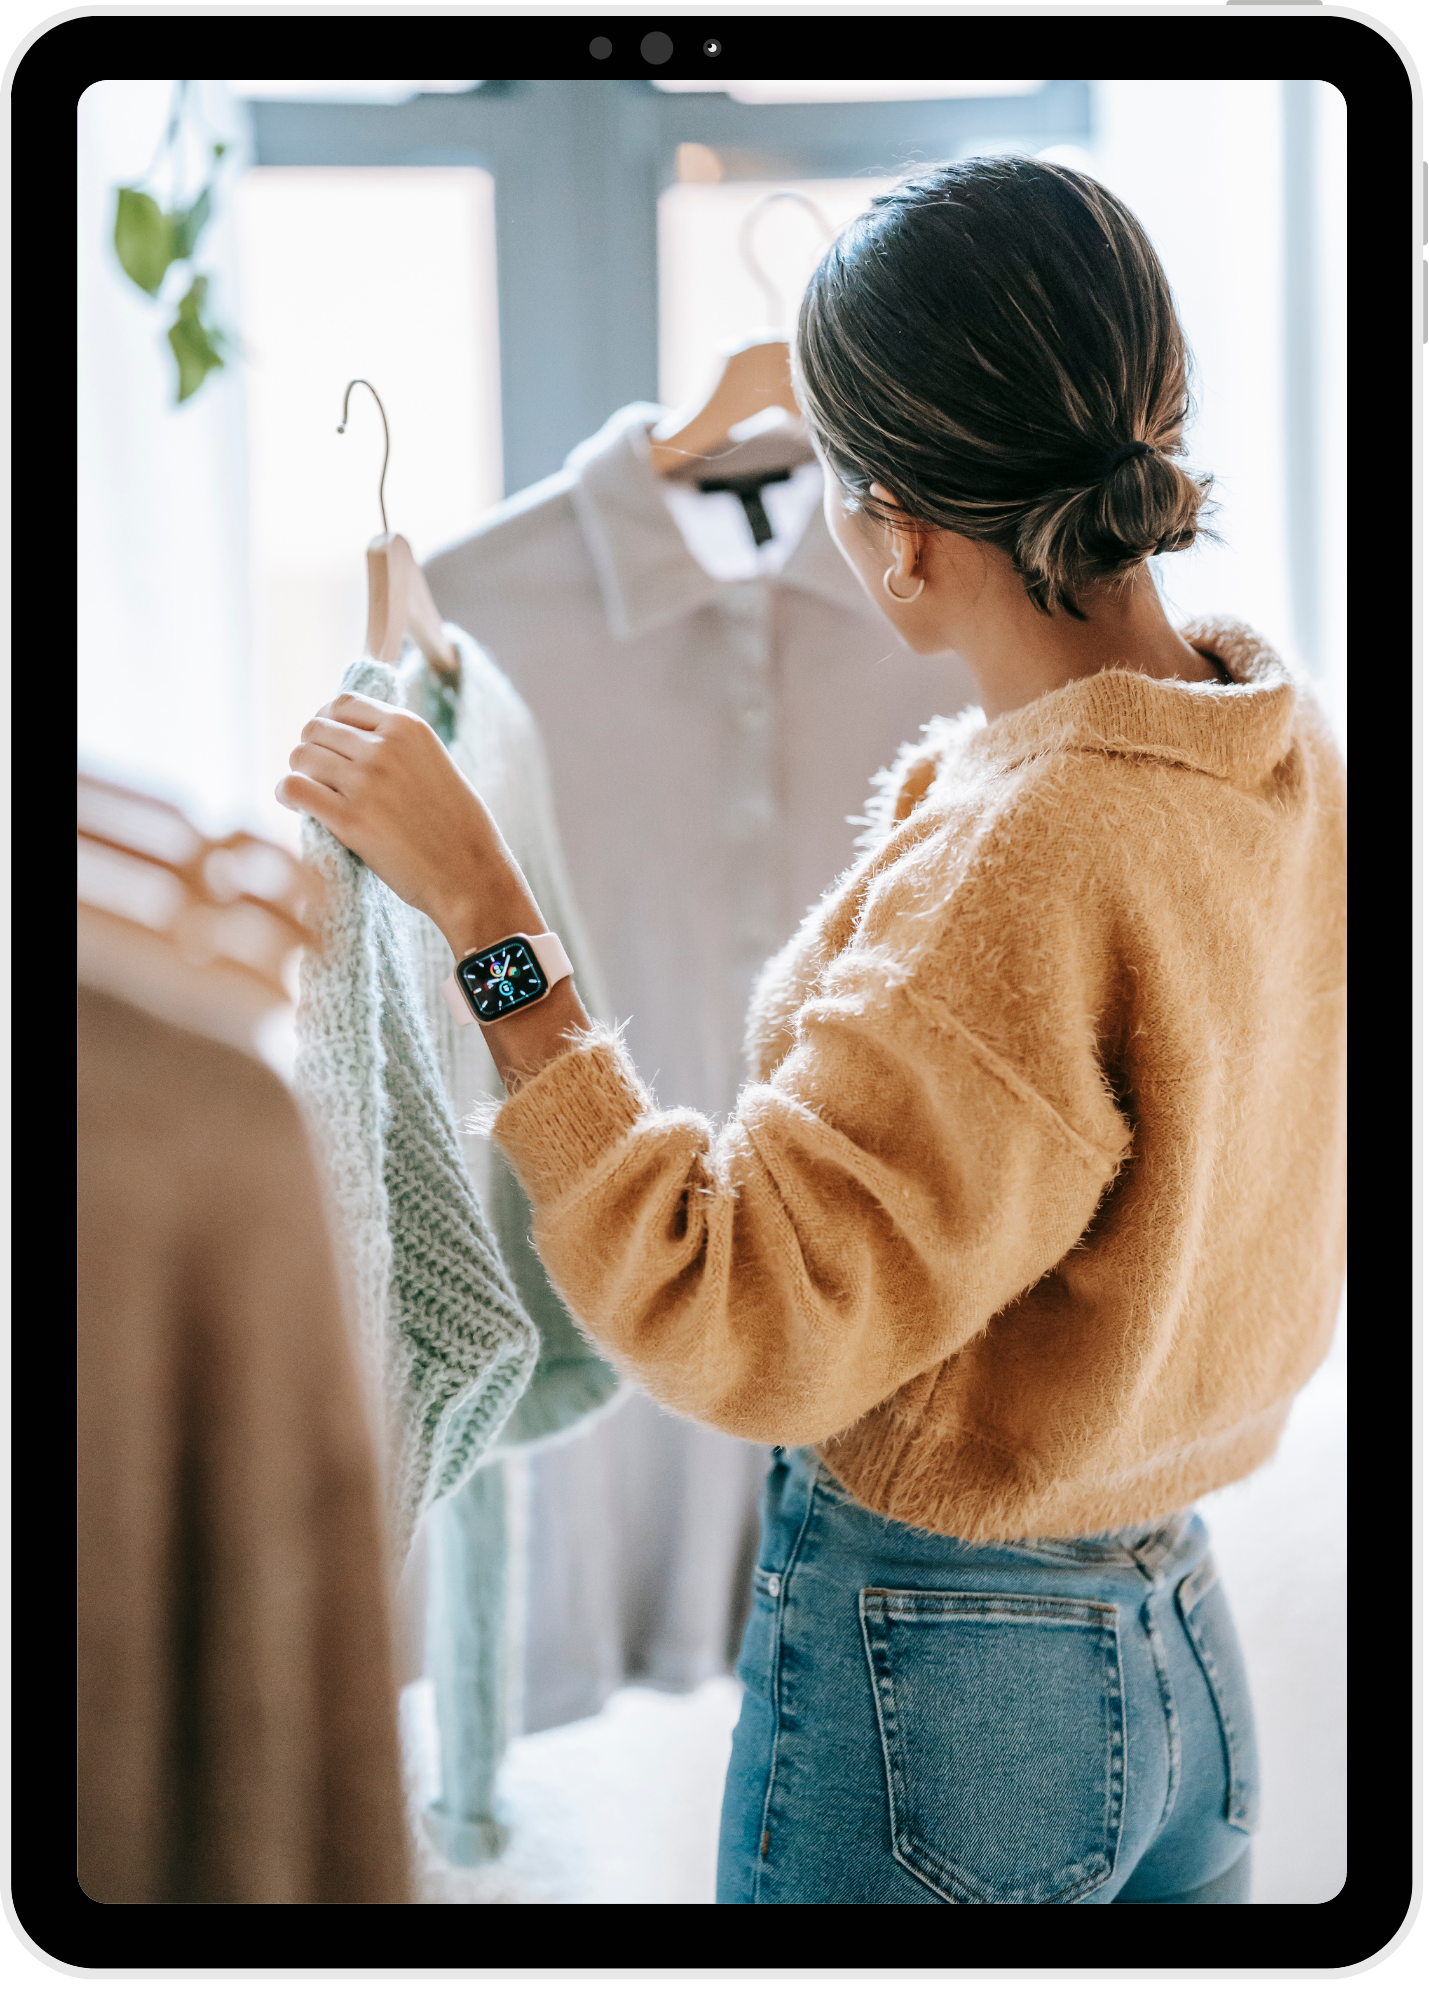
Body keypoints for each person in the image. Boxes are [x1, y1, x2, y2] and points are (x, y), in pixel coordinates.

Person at [279, 158, 1346, 1905]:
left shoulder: (1032, 853)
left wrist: (491, 914)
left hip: (957, 1687)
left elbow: (740, 1318)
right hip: (1183, 1661)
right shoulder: (1276, 752)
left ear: (894, 526)